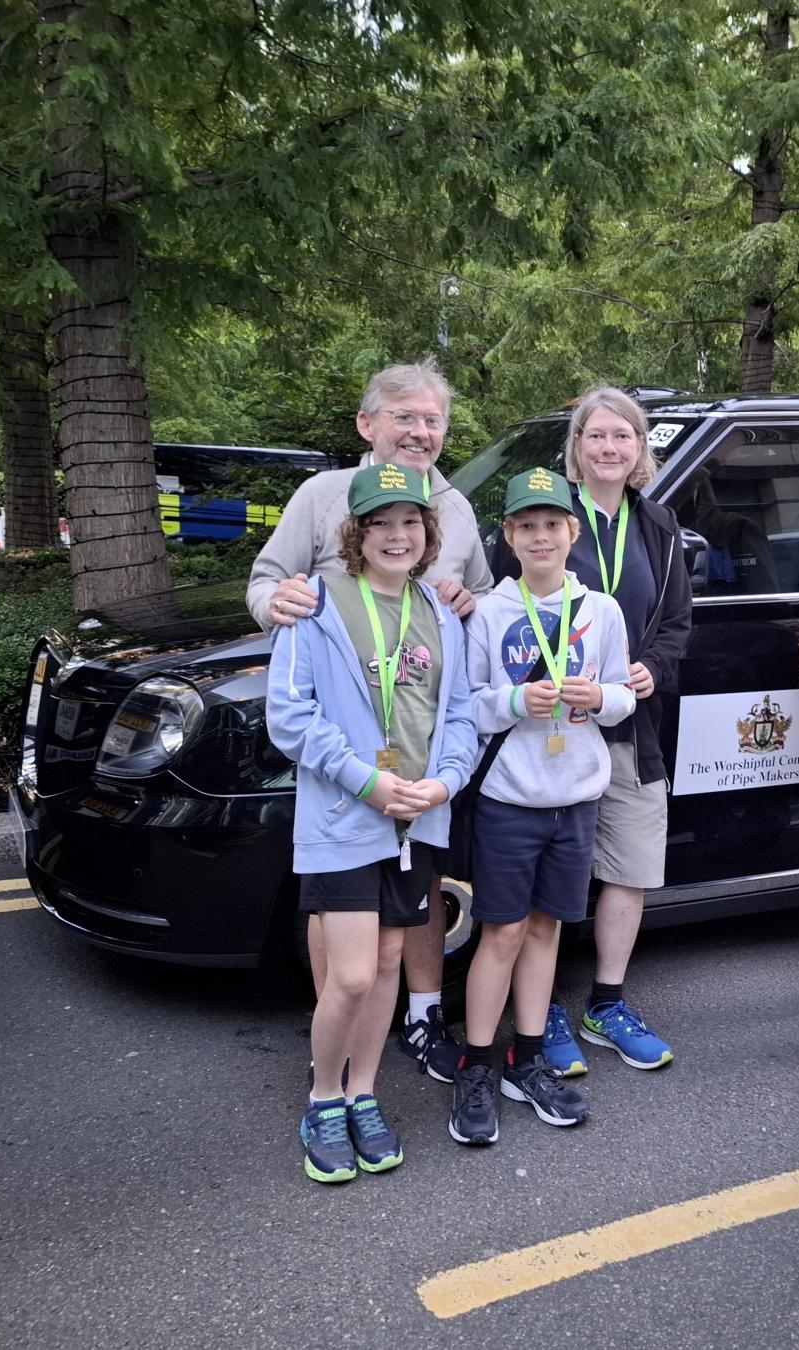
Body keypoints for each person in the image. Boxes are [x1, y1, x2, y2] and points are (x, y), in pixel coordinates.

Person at [248, 360, 492, 1082]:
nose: (421, 431)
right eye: (405, 417)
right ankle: (336, 1055)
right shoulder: (323, 496)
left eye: (433, 420)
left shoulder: (458, 507)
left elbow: (474, 605)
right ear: (368, 424)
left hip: (418, 765)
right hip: (348, 761)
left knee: (404, 918)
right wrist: (280, 608)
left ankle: (409, 1028)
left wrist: (469, 605)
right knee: (350, 950)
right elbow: (268, 584)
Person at [266, 463, 477, 1183]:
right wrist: (368, 782)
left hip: (416, 821)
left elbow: (459, 718)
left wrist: (443, 783)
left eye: (409, 522)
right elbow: (290, 718)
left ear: (428, 532)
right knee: (352, 977)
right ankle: (323, 1099)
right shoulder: (315, 604)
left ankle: (363, 1094)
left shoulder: (443, 612)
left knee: (389, 964)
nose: (396, 535)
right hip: (346, 818)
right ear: (354, 532)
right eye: (380, 523)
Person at [493, 387, 693, 1076]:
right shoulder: (547, 516)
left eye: (624, 437)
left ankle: (606, 1003)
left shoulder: (660, 524)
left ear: (641, 450)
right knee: (550, 880)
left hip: (630, 727)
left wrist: (651, 669)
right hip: (550, 733)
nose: (610, 448)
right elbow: (506, 608)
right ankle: (539, 1008)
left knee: (628, 871)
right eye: (597, 436)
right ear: (576, 447)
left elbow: (675, 623)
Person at [451, 468, 635, 1145]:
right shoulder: (492, 613)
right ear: (508, 536)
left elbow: (623, 695)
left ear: (572, 532)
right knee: (500, 932)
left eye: (551, 525)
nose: (539, 537)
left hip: (575, 797)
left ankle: (526, 1060)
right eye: (526, 526)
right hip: (511, 798)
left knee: (547, 931)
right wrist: (511, 703)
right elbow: (469, 704)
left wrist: (600, 699)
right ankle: (477, 1063)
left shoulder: (601, 612)